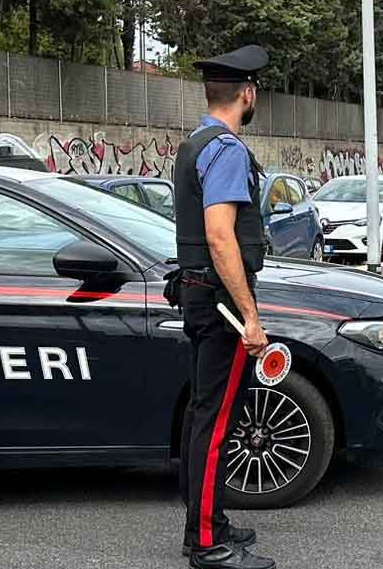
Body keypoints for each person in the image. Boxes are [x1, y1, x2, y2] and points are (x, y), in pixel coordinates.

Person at [172, 45, 276, 569]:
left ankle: (206, 519)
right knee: (215, 425)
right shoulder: (227, 150)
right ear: (247, 94)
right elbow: (220, 235)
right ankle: (207, 543)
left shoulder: (193, 144)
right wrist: (250, 315)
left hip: (197, 295)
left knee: (202, 415)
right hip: (221, 305)